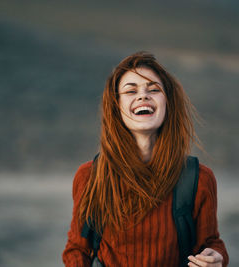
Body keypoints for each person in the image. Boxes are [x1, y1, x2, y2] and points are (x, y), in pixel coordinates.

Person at [62, 52, 229, 266]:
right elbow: (77, 251)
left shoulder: (199, 179)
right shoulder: (90, 177)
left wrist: (217, 258)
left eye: (154, 89)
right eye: (131, 90)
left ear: (167, 102)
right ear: (117, 105)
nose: (143, 96)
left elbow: (211, 243)